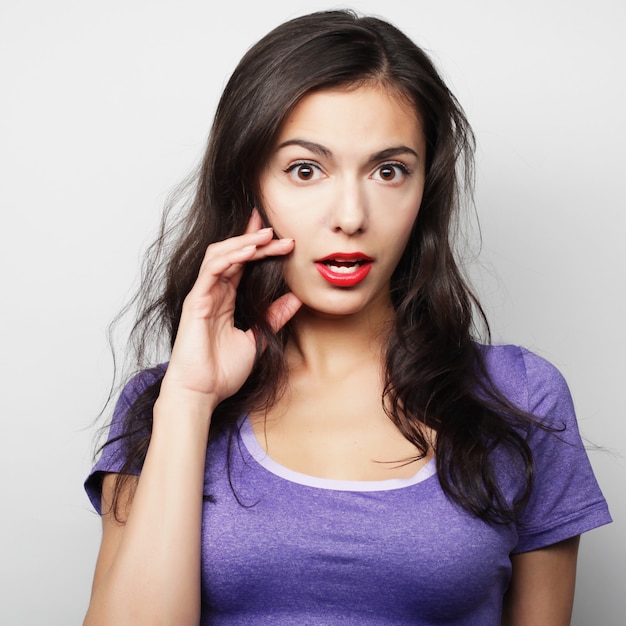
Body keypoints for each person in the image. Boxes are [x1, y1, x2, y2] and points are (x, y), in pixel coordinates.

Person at [83, 9, 611, 626]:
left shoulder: (519, 397)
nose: (352, 215)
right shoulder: (163, 403)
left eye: (389, 171)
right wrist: (190, 399)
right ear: (249, 186)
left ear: (424, 191)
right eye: (305, 170)